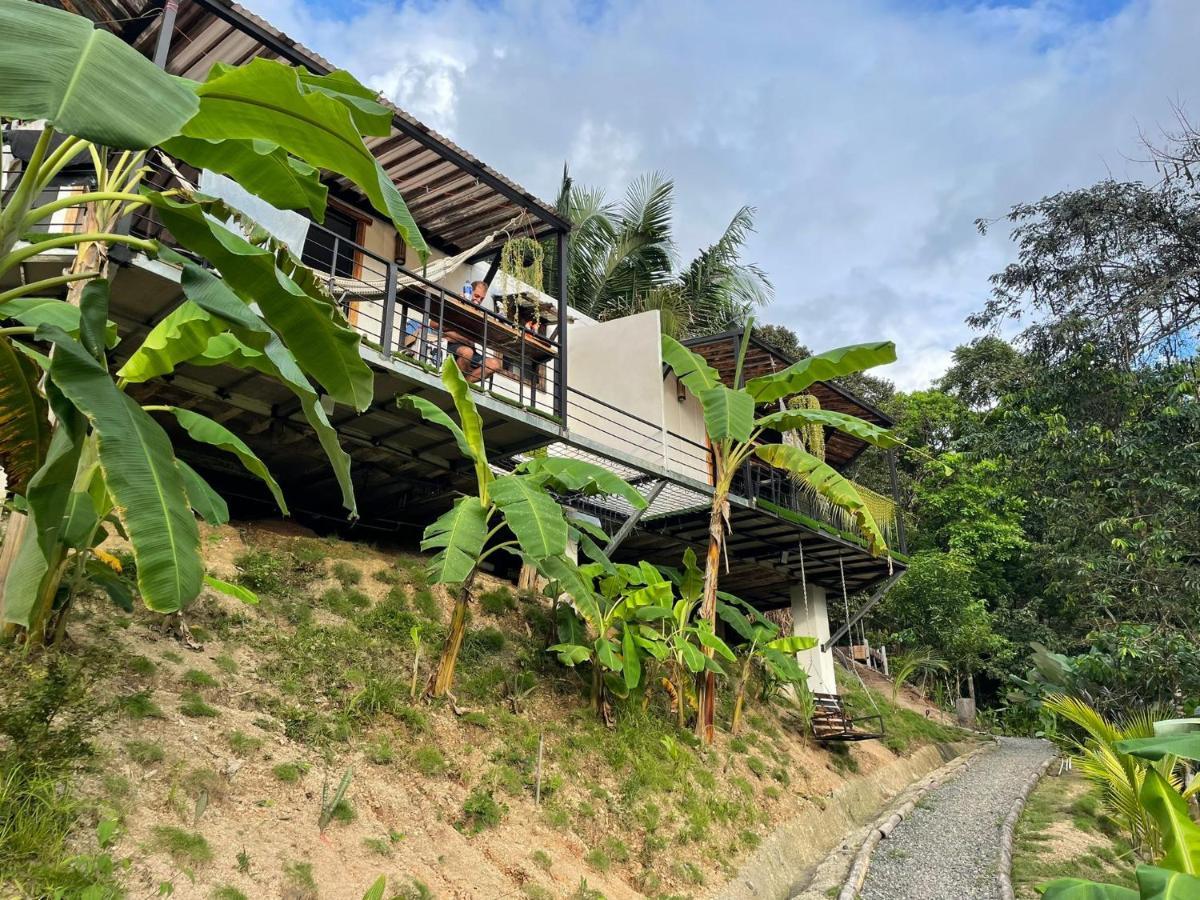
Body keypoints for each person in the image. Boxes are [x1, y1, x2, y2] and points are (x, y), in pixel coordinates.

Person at [444, 280, 503, 382]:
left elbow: (478, 337)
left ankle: (465, 383)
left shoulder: (479, 313)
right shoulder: (456, 301)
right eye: (476, 296)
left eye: (482, 298)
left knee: (495, 364)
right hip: (450, 344)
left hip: (470, 350)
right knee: (467, 352)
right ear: (469, 291)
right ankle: (456, 382)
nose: (478, 300)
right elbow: (434, 323)